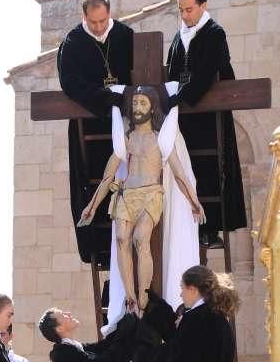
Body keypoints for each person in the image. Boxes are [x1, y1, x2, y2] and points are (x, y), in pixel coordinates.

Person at [79, 85, 205, 313]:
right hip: (127, 194)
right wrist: (91, 205)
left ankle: (144, 296)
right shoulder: (126, 139)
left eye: (142, 103)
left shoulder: (162, 139)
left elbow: (179, 173)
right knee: (120, 239)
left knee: (140, 238)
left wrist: (194, 201)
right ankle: (130, 296)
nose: (137, 107)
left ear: (152, 108)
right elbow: (109, 175)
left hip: (151, 194)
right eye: (135, 103)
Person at [167, 0, 247, 248]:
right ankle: (189, 225)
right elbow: (173, 71)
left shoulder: (214, 33)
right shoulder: (179, 37)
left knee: (212, 170)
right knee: (188, 168)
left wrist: (181, 96)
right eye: (181, 10)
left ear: (203, 6)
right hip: (187, 118)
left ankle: (210, 229)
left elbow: (208, 72)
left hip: (209, 115)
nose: (185, 15)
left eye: (189, 9)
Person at [57, 0, 133, 264]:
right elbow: (70, 83)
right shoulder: (73, 42)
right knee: (94, 186)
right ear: (84, 17)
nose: (99, 27)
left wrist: (120, 99)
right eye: (93, 22)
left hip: (124, 126)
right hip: (88, 126)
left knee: (125, 182)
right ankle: (100, 249)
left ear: (109, 14)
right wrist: (106, 98)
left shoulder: (126, 36)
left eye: (103, 21)